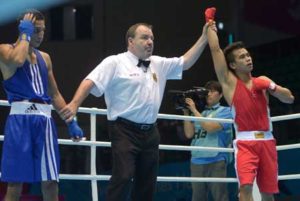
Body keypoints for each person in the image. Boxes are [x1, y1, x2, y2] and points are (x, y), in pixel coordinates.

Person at [60, 22, 214, 201]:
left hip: (151, 131)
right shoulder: (115, 62)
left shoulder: (158, 63)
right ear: (130, 41)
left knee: (147, 183)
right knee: (124, 176)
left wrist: (204, 37)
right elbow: (90, 81)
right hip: (123, 130)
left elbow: (186, 62)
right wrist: (74, 104)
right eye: (144, 37)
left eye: (152, 38)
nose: (150, 42)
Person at [205, 8, 295, 201]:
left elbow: (290, 98)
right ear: (233, 65)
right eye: (242, 57)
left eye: (248, 55)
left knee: (267, 192)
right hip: (245, 142)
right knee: (245, 188)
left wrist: (272, 87)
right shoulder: (229, 84)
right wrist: (210, 23)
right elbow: (215, 50)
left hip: (268, 141)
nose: (248, 58)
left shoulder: (262, 80)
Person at [0, 9, 84, 201]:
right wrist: (25, 34)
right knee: (15, 184)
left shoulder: (45, 58)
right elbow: (19, 60)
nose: (40, 35)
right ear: (24, 28)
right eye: (35, 30)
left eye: (42, 30)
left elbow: (54, 94)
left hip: (45, 123)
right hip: (20, 122)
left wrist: (71, 121)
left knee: (50, 181)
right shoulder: (5, 50)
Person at [182, 80, 232, 201]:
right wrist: (186, 112)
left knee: (220, 197)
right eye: (207, 91)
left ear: (220, 95)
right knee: (198, 198)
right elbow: (189, 134)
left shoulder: (226, 111)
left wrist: (194, 111)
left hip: (216, 159)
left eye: (212, 91)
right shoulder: (200, 112)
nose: (208, 94)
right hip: (196, 160)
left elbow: (210, 128)